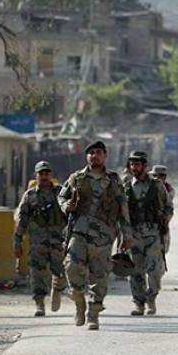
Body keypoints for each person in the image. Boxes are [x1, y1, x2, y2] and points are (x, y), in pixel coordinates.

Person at [58, 141, 133, 330]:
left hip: (104, 236)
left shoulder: (114, 180)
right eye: (91, 153)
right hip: (78, 232)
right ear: (86, 157)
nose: (94, 156)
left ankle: (93, 313)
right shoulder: (77, 178)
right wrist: (67, 206)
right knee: (71, 267)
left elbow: (123, 208)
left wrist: (127, 234)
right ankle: (78, 302)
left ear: (105, 156)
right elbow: (61, 197)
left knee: (100, 276)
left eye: (98, 152)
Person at [13, 161, 66, 317]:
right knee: (37, 273)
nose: (44, 176)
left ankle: (57, 289)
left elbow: (71, 213)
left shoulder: (61, 192)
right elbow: (22, 219)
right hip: (38, 241)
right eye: (40, 174)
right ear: (35, 175)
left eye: (46, 173)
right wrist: (17, 241)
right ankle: (40, 303)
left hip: (58, 240)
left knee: (62, 271)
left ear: (51, 175)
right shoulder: (29, 195)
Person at [123, 153, 172, 316]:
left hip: (153, 234)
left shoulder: (156, 185)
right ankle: (139, 303)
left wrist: (164, 221)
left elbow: (168, 206)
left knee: (154, 271)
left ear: (145, 165)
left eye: (137, 164)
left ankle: (151, 298)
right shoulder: (126, 185)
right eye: (131, 164)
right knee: (135, 271)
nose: (134, 167)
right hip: (133, 235)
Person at [149, 165, 175, 254]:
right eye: (155, 176)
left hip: (160, 226)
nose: (158, 178)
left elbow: (168, 208)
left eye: (161, 176)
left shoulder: (168, 190)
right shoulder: (146, 186)